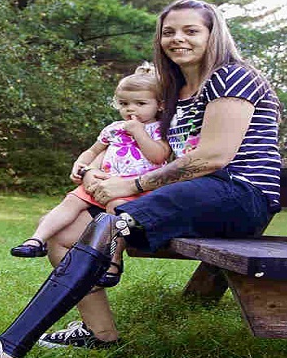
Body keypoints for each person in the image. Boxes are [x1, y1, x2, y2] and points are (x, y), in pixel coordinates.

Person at [0, 0, 281, 358]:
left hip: (239, 193)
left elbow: (214, 156)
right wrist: (97, 170)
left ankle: (4, 354)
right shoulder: (175, 91)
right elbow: (154, 152)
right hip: (191, 195)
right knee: (64, 235)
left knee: (111, 223)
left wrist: (133, 184)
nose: (178, 39)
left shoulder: (232, 76)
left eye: (191, 30)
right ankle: (99, 334)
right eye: (168, 31)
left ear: (213, 34)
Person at [10, 63, 170, 288]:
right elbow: (93, 151)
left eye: (140, 104)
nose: (130, 110)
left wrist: (139, 133)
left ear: (160, 105)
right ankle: (37, 240)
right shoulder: (114, 128)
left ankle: (114, 260)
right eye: (124, 104)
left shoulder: (160, 129)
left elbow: (158, 156)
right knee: (71, 200)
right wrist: (81, 163)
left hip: (136, 190)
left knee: (117, 212)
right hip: (102, 183)